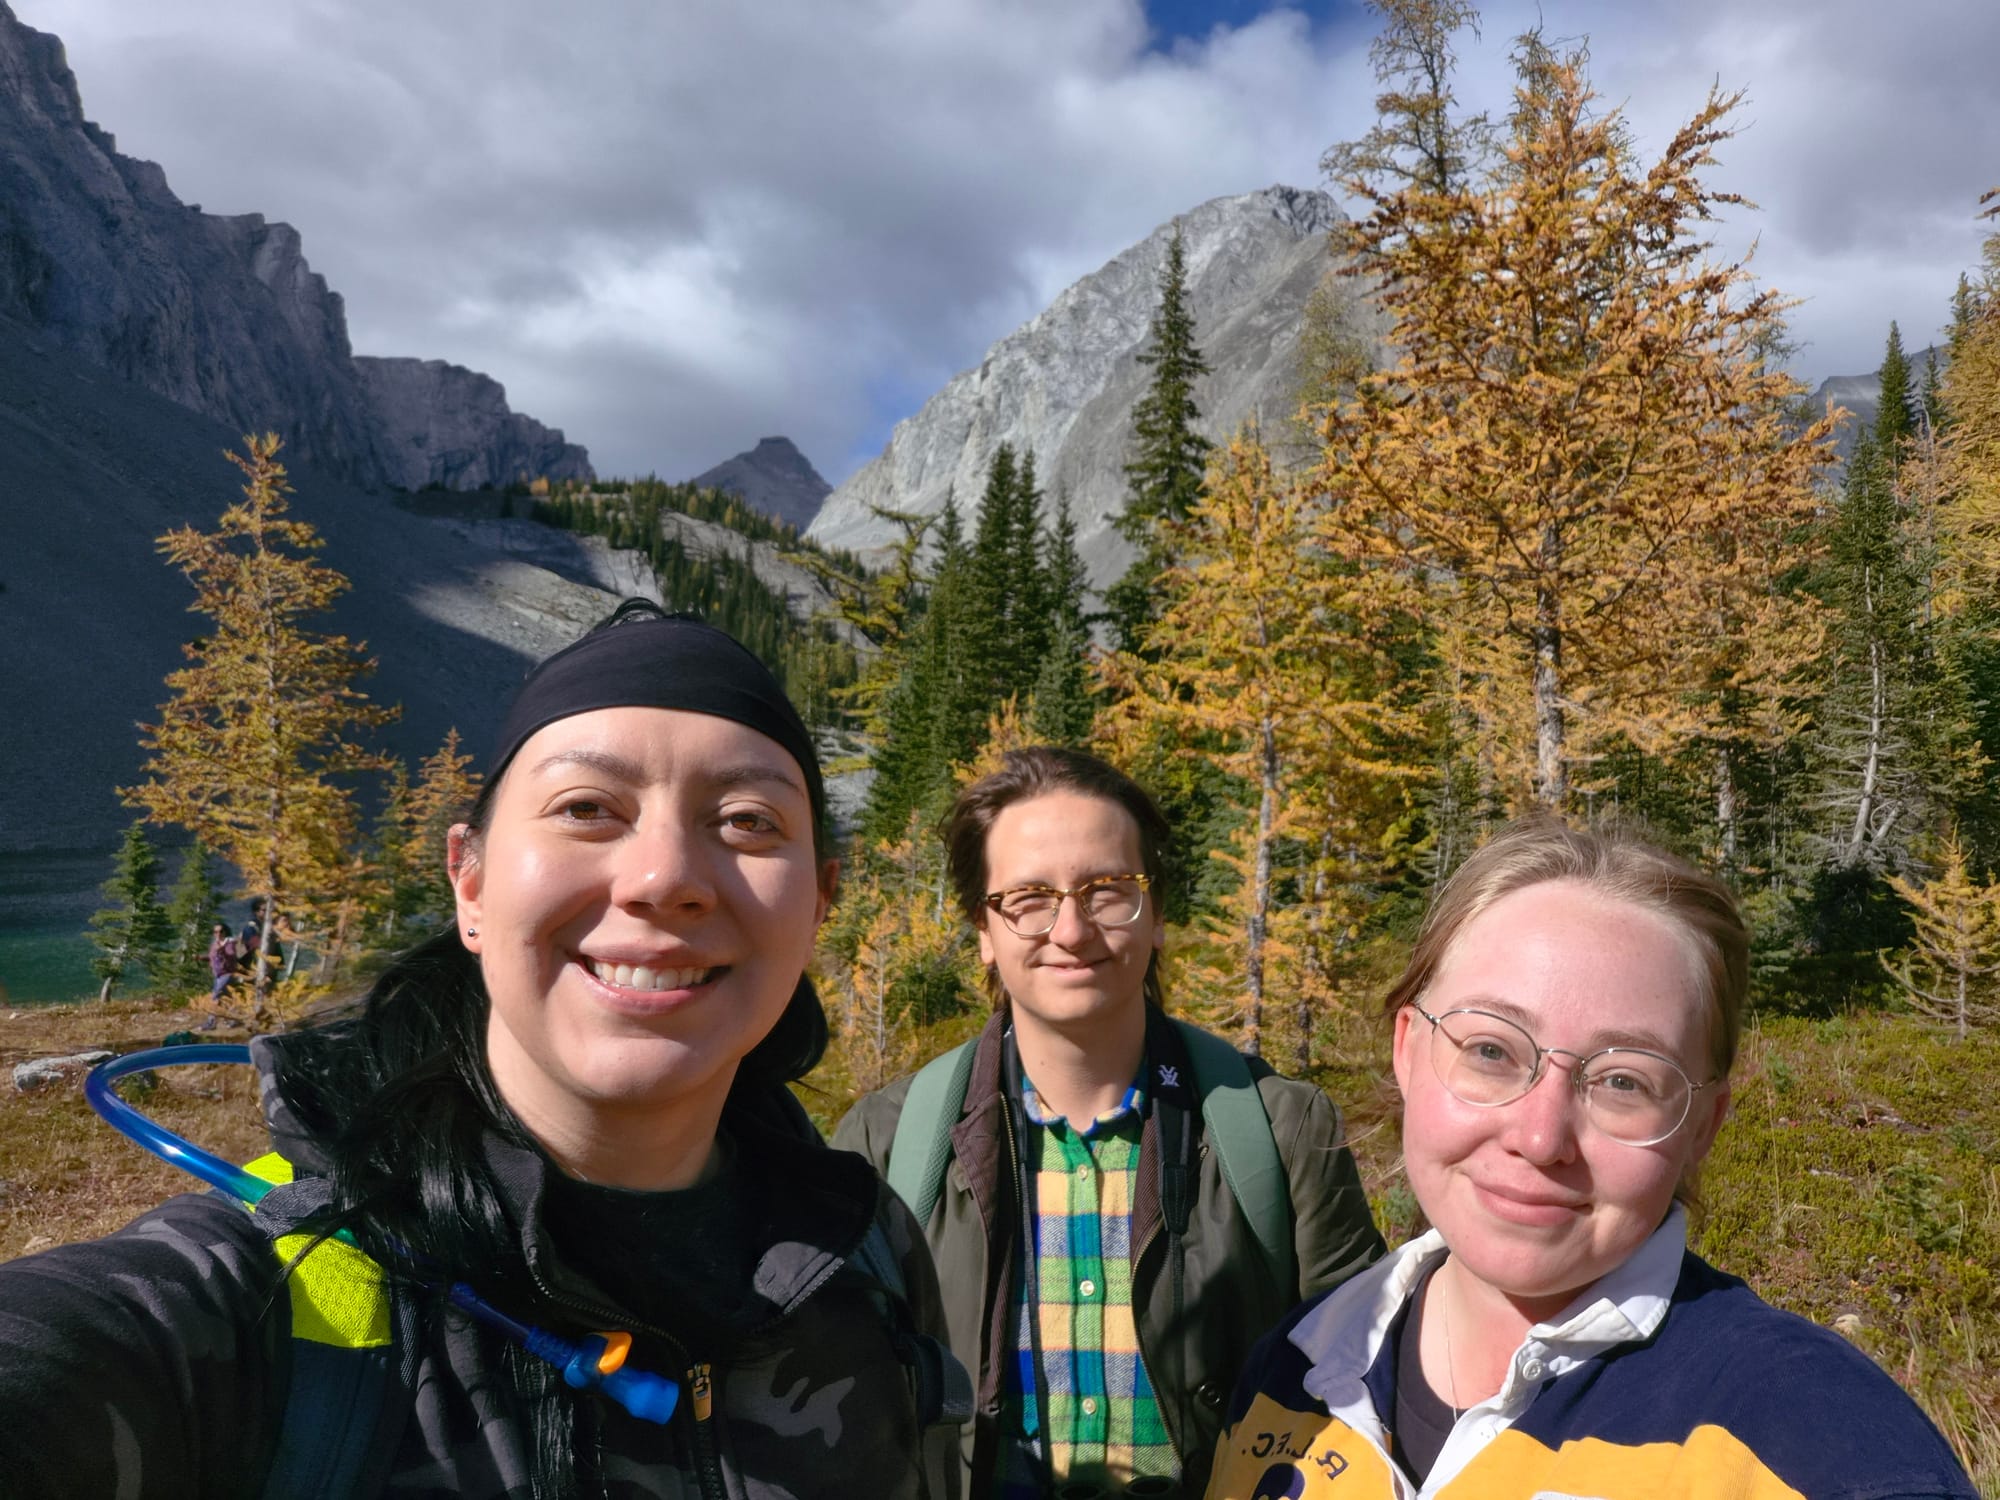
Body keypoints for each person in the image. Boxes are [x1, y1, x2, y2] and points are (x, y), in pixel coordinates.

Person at [0, 600, 964, 1499]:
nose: (666, 877)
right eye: (588, 807)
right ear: (469, 880)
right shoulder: (247, 1300)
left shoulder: (869, 1254)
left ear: (820, 905)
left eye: (749, 821)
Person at [1203, 819, 1978, 1500]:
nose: (1540, 1139)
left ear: (1702, 1125)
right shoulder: (1292, 1370)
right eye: (1490, 1049)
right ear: (1408, 1048)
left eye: (1622, 1081)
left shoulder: (1817, 1444)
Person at [835, 746, 1384, 1500]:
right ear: (984, 934)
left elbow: (1361, 1387)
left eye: (1107, 891)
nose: (1070, 930)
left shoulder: (1282, 1132)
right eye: (1028, 898)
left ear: (1155, 914)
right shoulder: (886, 1144)